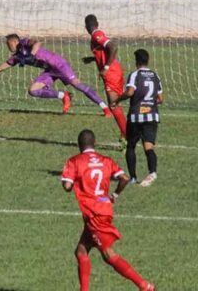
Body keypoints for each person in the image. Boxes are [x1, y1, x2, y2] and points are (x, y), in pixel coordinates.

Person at [61, 129, 155, 291]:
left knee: (108, 255)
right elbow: (124, 178)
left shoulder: (75, 161)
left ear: (79, 145)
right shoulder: (105, 160)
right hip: (102, 209)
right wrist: (114, 195)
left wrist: (69, 179)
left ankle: (143, 285)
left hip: (94, 214)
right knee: (81, 251)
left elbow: (67, 186)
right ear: (94, 143)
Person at [0, 34, 112, 116]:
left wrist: (31, 54)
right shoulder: (17, 57)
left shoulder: (24, 43)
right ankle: (64, 96)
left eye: (8, 44)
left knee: (78, 85)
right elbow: (0, 68)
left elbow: (38, 42)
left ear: (14, 41)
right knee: (33, 90)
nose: (7, 46)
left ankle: (104, 107)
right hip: (50, 70)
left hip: (59, 65)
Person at [111, 49, 163, 187]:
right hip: (152, 116)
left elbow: (130, 92)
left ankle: (133, 177)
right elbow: (160, 98)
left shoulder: (135, 75)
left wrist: (117, 100)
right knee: (148, 147)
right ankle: (152, 172)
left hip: (136, 117)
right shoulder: (155, 75)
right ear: (148, 60)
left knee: (131, 146)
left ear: (136, 62)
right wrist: (149, 104)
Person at [83, 15, 127, 143]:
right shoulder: (96, 36)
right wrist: (93, 59)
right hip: (114, 71)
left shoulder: (97, 34)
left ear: (86, 27)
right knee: (115, 105)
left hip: (112, 73)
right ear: (97, 22)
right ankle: (125, 134)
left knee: (113, 105)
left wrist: (106, 67)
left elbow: (113, 47)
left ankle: (127, 135)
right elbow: (104, 51)